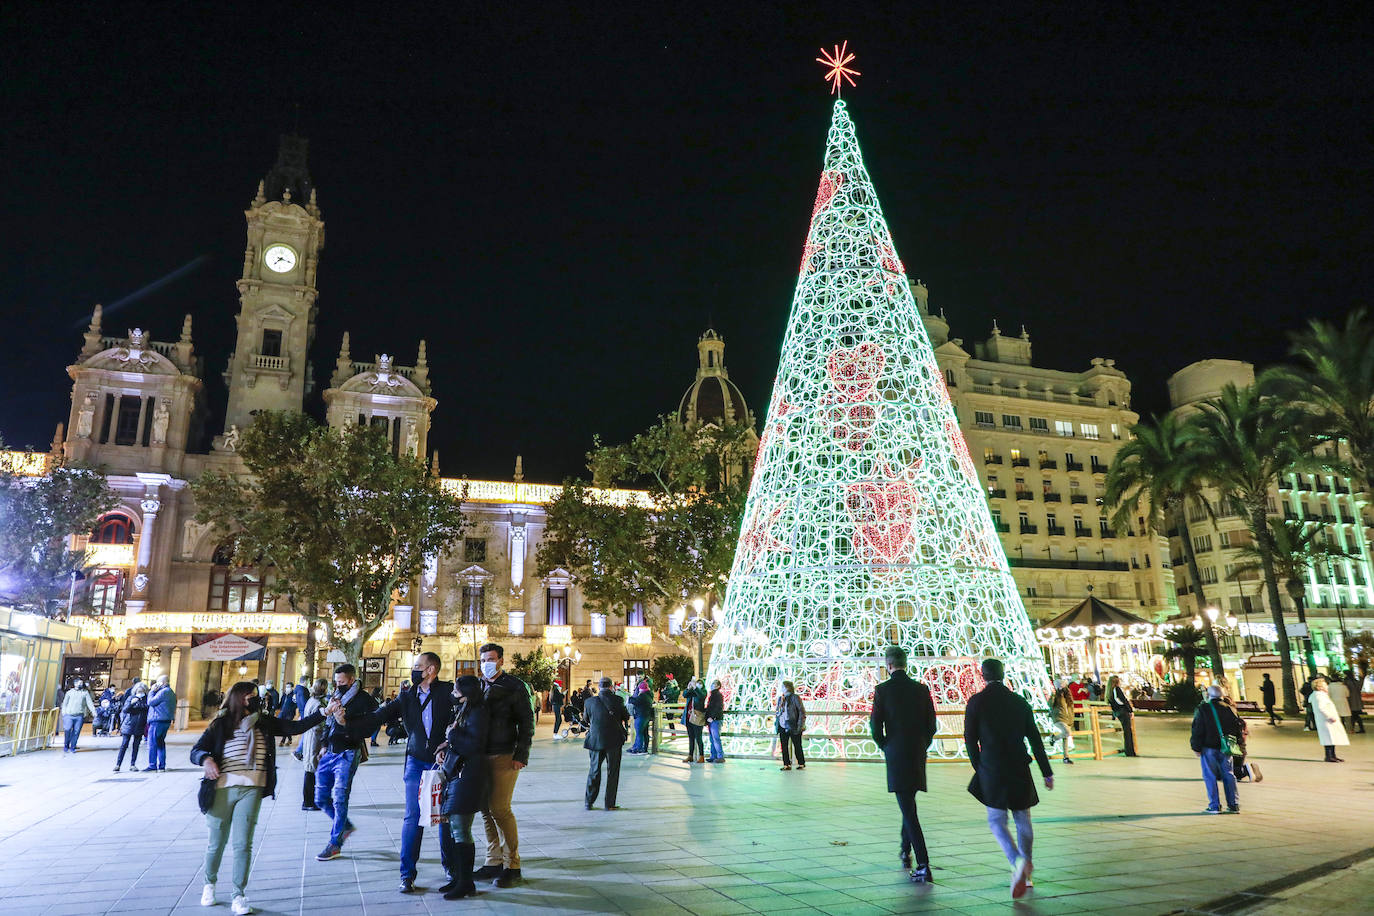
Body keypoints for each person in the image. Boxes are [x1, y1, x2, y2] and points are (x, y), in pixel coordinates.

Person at [191, 680, 325, 915]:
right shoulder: (221, 724)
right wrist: (206, 759)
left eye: (255, 695)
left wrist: (324, 712)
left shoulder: (263, 723)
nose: (254, 699)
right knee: (217, 843)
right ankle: (209, 884)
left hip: (251, 789)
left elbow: (295, 727)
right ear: (238, 699)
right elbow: (197, 749)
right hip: (221, 788)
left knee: (243, 844)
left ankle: (238, 894)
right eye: (249, 695)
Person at [352, 652, 458, 893]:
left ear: (431, 670)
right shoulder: (408, 696)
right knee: (413, 816)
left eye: (418, 666)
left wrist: (449, 743)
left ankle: (451, 868)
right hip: (416, 762)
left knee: (444, 817)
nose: (414, 670)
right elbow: (381, 715)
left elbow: (463, 718)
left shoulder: (447, 692)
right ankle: (407, 874)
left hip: (443, 763)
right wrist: (349, 723)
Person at [965, 658, 1054, 899]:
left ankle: (1016, 862)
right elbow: (1034, 739)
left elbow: (970, 739)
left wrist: (979, 766)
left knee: (996, 820)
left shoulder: (976, 703)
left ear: (983, 675)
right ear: (1004, 675)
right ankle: (1027, 872)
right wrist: (1046, 771)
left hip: (992, 768)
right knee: (1022, 818)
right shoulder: (1019, 702)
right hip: (1018, 766)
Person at [870, 645, 939, 884]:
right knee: (908, 802)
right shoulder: (921, 690)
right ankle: (904, 850)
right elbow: (932, 725)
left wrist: (887, 747)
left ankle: (923, 864)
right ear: (905, 663)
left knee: (909, 810)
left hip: (896, 754)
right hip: (917, 753)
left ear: (888, 665)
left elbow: (875, 728)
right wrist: (922, 744)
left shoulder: (882, 691)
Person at [474, 643, 534, 888]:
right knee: (485, 810)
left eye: (490, 659)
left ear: (500, 660)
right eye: (483, 659)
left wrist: (522, 753)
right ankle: (493, 860)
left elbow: (527, 721)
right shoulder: (478, 686)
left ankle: (512, 864)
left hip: (504, 754)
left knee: (500, 808)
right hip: (479, 756)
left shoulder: (515, 686)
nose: (486, 663)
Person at [314, 663, 379, 861]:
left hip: (348, 752)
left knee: (340, 798)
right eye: (336, 682)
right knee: (320, 798)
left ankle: (335, 843)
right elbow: (329, 722)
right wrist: (324, 743)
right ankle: (344, 826)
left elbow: (369, 727)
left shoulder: (364, 701)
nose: (338, 685)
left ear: (351, 680)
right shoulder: (335, 696)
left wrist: (346, 723)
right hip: (330, 751)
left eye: (341, 682)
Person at [438, 675, 491, 900]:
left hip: (469, 775)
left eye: (457, 691)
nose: (454, 694)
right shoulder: (466, 710)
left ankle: (466, 882)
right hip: (459, 773)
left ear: (466, 693)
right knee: (454, 828)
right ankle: (460, 878)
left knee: (461, 828)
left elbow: (473, 744)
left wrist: (453, 734)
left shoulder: (478, 712)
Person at [1190, 684, 1242, 813]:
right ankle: (1233, 804)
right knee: (1229, 775)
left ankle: (1214, 805)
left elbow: (1197, 729)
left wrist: (1196, 747)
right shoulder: (1230, 709)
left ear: (1209, 695)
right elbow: (1238, 728)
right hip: (1226, 748)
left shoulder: (1203, 709)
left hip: (1208, 747)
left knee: (1210, 776)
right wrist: (1237, 744)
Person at [583, 676, 630, 810]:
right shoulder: (618, 700)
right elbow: (626, 716)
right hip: (614, 740)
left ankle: (589, 802)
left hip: (595, 740)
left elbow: (586, 719)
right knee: (613, 772)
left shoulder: (589, 702)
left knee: (594, 770)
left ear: (599, 688)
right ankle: (609, 804)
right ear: (611, 687)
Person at [296, 678, 329, 811]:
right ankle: (308, 801)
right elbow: (319, 723)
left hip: (311, 738)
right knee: (311, 770)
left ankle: (311, 800)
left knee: (311, 769)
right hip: (315, 739)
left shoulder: (312, 700)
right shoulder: (318, 704)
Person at [1308, 676, 1349, 762]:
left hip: (1327, 720)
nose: (1327, 687)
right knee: (1328, 738)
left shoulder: (1321, 695)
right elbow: (1321, 708)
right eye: (1325, 685)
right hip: (1326, 720)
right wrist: (1329, 716)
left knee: (1332, 738)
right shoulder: (1319, 696)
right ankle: (1329, 756)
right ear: (1320, 687)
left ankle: (1333, 755)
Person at [114, 682, 149, 772]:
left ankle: (132, 764)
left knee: (136, 746)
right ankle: (118, 764)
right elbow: (125, 710)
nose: (140, 692)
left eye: (142, 690)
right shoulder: (131, 698)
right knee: (124, 745)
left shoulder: (146, 699)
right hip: (129, 725)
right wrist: (132, 704)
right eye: (139, 690)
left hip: (140, 725)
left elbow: (147, 709)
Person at [146, 674, 176, 771]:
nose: (156, 684)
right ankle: (162, 765)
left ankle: (152, 765)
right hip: (165, 720)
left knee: (152, 743)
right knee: (160, 743)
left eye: (158, 682)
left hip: (157, 720)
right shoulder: (171, 692)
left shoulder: (163, 692)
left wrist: (151, 691)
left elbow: (151, 702)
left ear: (163, 682)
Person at [775, 681, 806, 770]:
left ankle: (801, 763)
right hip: (782, 724)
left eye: (783, 686)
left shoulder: (795, 698)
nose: (781, 688)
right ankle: (786, 764)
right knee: (784, 745)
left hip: (793, 724)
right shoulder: (781, 699)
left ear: (787, 687)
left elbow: (801, 711)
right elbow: (778, 712)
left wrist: (800, 724)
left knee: (797, 744)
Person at [60, 678, 96, 753]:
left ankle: (73, 747)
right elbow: (65, 703)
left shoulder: (85, 693)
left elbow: (89, 703)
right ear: (75, 684)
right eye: (79, 683)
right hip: (69, 715)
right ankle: (66, 745)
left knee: (76, 732)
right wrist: (64, 712)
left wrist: (94, 712)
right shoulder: (69, 693)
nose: (81, 684)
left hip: (79, 715)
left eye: (81, 683)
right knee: (67, 729)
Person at [1107, 675, 1137, 757]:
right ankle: (1130, 751)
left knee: (1126, 731)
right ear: (1117, 682)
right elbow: (1122, 700)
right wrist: (1130, 710)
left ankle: (1129, 751)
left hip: (1117, 711)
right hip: (1123, 711)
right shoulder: (1117, 689)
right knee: (1128, 732)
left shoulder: (1109, 691)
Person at [681, 676, 707, 764]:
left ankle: (701, 756)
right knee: (691, 737)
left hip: (697, 718)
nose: (698, 685)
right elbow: (684, 695)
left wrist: (696, 688)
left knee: (698, 738)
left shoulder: (702, 692)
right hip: (689, 718)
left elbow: (701, 696)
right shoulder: (692, 691)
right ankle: (690, 755)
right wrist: (689, 688)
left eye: (700, 683)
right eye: (697, 683)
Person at [1049, 679, 1075, 765]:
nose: (1062, 687)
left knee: (1065, 737)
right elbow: (1050, 704)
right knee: (1067, 733)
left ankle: (1066, 757)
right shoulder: (1055, 695)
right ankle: (1053, 738)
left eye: (1063, 685)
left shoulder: (1068, 695)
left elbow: (1070, 707)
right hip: (1058, 718)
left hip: (1067, 718)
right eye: (1060, 686)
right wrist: (1055, 694)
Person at [627, 681, 653, 754]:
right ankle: (641, 748)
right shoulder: (649, 695)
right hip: (646, 716)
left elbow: (633, 700)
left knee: (639, 733)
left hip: (641, 716)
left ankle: (639, 749)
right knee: (644, 733)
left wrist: (629, 697)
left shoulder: (643, 696)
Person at [704, 679, 726, 763]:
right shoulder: (713, 695)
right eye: (712, 683)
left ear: (718, 686)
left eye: (714, 684)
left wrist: (712, 717)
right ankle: (713, 756)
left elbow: (717, 707)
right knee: (712, 739)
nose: (712, 685)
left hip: (715, 720)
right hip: (711, 720)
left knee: (716, 738)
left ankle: (720, 756)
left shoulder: (717, 695)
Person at [276, 680, 298, 747]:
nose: (287, 688)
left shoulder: (294, 695)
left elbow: (296, 704)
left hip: (290, 713)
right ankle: (290, 739)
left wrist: (291, 709)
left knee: (286, 726)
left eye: (289, 687)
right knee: (283, 726)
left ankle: (282, 741)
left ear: (292, 687)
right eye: (286, 687)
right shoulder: (284, 694)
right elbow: (281, 703)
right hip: (283, 712)